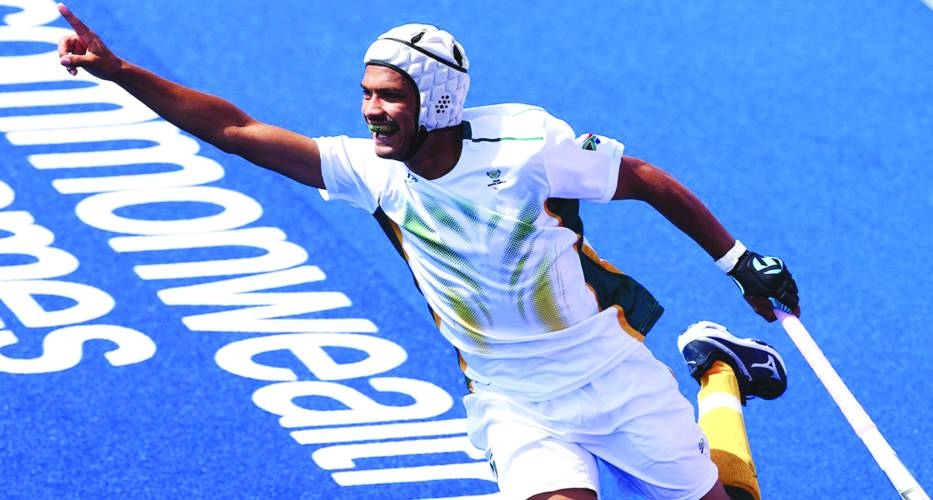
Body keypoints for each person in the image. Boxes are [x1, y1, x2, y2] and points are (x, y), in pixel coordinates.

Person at [56, 4, 801, 499]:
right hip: (510, 396)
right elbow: (236, 131)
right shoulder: (372, 171)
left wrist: (737, 261)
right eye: (367, 93)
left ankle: (718, 375)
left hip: (606, 368)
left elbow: (641, 179)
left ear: (437, 100)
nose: (369, 110)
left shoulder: (527, 143)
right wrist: (123, 73)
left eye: (389, 96)